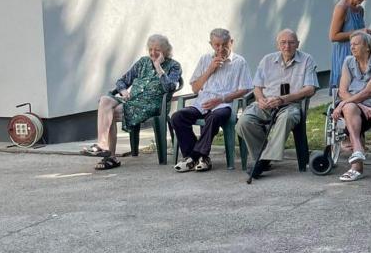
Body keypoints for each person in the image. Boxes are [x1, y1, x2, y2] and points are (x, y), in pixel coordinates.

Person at [81, 34, 181, 172]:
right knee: (105, 100)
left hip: (152, 105)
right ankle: (102, 145)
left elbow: (170, 88)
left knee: (110, 112)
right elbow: (122, 81)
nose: (153, 53)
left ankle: (110, 157)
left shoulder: (174, 66)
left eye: (157, 50)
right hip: (131, 101)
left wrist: (158, 67)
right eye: (150, 49)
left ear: (165, 50)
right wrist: (123, 91)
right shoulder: (143, 62)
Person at [238, 29, 319, 181]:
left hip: (290, 105)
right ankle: (263, 157)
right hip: (267, 103)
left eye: (291, 42)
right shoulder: (267, 60)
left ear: (298, 44)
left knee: (286, 118)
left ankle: (262, 161)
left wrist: (284, 99)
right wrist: (260, 99)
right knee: (244, 121)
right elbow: (257, 87)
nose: (287, 46)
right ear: (278, 45)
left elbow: (310, 88)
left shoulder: (307, 60)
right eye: (283, 42)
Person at [170, 28, 252, 173]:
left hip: (224, 105)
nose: (221, 48)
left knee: (214, 117)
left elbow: (245, 89)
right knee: (177, 117)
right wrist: (210, 70)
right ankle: (200, 158)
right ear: (211, 44)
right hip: (201, 104)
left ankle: (193, 157)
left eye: (224, 44)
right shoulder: (205, 59)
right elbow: (195, 88)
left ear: (231, 42)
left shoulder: (239, 62)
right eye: (217, 45)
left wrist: (221, 99)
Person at [330, 30, 371, 182]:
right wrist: (358, 105)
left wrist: (347, 103)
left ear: (368, 47)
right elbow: (342, 91)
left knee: (348, 108)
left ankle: (356, 166)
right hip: (355, 107)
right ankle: (358, 151)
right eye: (351, 44)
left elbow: (369, 91)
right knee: (350, 108)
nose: (352, 47)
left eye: (356, 44)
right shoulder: (348, 62)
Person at [328, 0, 371, 95]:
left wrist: (367, 35)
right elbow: (333, 36)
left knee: (362, 90)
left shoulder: (360, 10)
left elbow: (360, 33)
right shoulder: (342, 7)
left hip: (360, 54)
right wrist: (360, 32)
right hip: (345, 53)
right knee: (345, 90)